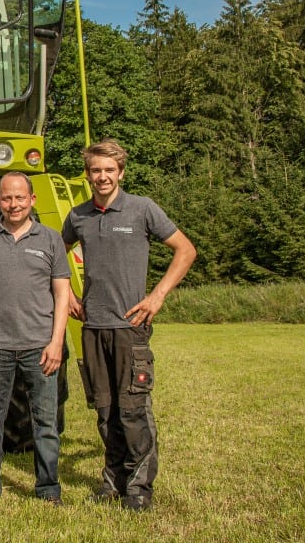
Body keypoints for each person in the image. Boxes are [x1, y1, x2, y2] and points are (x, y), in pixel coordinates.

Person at [62, 140, 195, 512]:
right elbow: (55, 257)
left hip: (130, 326)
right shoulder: (78, 216)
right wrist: (70, 296)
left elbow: (186, 250)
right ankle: (113, 481)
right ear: (87, 175)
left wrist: (157, 296)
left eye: (109, 170)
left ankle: (138, 488)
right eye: (95, 171)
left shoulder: (142, 209)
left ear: (121, 172)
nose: (102, 177)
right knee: (104, 410)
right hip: (93, 328)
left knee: (133, 411)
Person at [0, 172, 73, 507]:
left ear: (32, 200)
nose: (14, 204)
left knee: (45, 423)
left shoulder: (51, 239)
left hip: (40, 346)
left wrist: (56, 343)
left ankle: (48, 488)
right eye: (7, 198)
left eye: (20, 198)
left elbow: (62, 294)